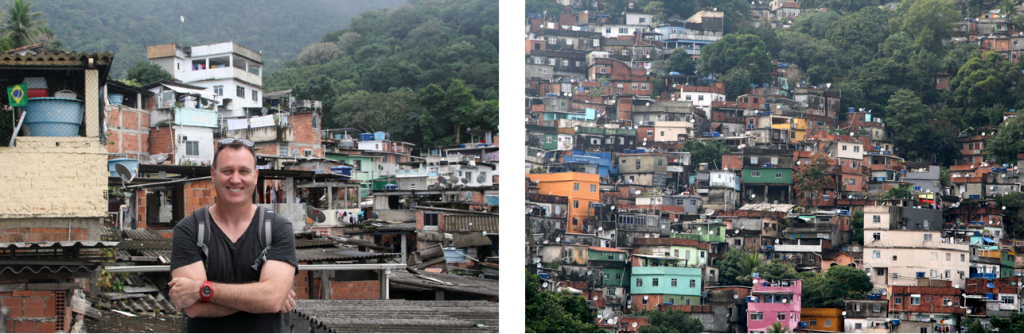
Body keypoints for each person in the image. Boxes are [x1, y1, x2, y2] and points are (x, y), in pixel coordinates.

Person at [168, 138, 298, 334]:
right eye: (227, 171)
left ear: (255, 176)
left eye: (244, 171)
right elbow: (194, 308)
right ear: (213, 174)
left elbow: (272, 299)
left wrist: (200, 289)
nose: (235, 179)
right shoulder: (189, 229)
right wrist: (264, 297)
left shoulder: (278, 228)